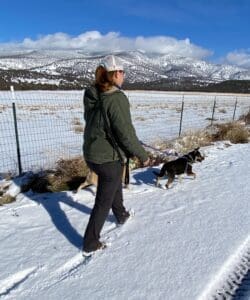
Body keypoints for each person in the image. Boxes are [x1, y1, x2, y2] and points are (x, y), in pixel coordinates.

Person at [82, 55, 150, 255]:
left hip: (91, 153)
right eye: (122, 71)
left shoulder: (92, 94)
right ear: (116, 74)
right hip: (108, 156)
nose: (124, 75)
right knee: (103, 201)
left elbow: (100, 123)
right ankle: (90, 242)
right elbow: (126, 134)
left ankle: (121, 215)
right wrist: (142, 155)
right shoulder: (116, 98)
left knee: (112, 185)